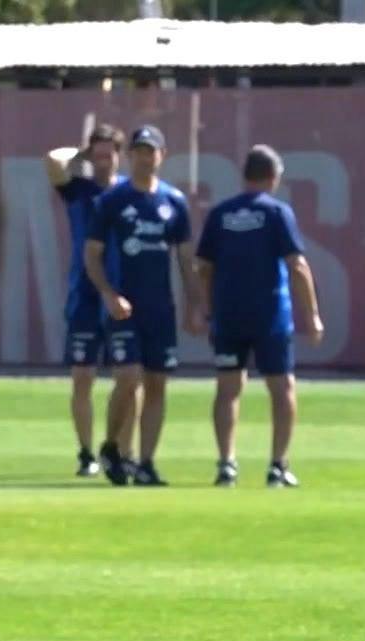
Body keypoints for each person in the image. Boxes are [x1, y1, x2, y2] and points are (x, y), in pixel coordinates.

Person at [83, 125, 205, 487]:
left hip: (160, 308)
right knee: (127, 377)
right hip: (124, 306)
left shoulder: (173, 202)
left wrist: (195, 305)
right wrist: (107, 293)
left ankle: (146, 462)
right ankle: (111, 446)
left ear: (162, 156)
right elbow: (92, 255)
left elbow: (185, 260)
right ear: (131, 156)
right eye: (138, 151)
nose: (144, 157)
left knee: (157, 384)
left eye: (151, 151)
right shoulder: (113, 201)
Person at [196, 145, 323, 488]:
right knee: (282, 388)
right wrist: (312, 315)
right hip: (270, 316)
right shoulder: (278, 212)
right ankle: (277, 466)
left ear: (244, 176)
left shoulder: (220, 214)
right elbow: (296, 266)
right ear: (274, 177)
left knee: (227, 388)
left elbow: (204, 268)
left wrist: (205, 310)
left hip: (229, 314)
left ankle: (226, 464)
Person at [45, 122, 129, 478]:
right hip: (84, 295)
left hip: (123, 293)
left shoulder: (129, 192)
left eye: (109, 154)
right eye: (98, 154)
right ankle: (85, 453)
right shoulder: (79, 190)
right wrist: (80, 153)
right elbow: (52, 161)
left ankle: (123, 450)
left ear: (119, 157)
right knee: (83, 376)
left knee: (128, 377)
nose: (103, 161)